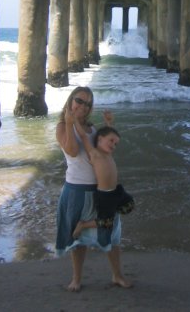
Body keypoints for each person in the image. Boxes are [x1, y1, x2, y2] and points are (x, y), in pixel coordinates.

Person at [55, 86, 132, 291]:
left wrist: (108, 125)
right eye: (79, 101)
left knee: (112, 234)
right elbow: (72, 151)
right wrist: (71, 123)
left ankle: (117, 275)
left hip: (100, 190)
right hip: (77, 190)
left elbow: (104, 151)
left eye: (88, 103)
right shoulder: (63, 127)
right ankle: (76, 279)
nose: (83, 106)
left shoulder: (93, 129)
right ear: (71, 101)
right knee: (78, 241)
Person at [72, 124, 134, 247]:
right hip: (105, 195)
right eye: (111, 141)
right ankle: (83, 225)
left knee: (129, 205)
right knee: (106, 222)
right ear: (99, 139)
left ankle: (113, 209)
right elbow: (84, 136)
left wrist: (109, 122)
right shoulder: (95, 154)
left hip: (117, 190)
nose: (113, 145)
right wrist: (73, 120)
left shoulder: (107, 153)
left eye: (116, 144)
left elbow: (108, 133)